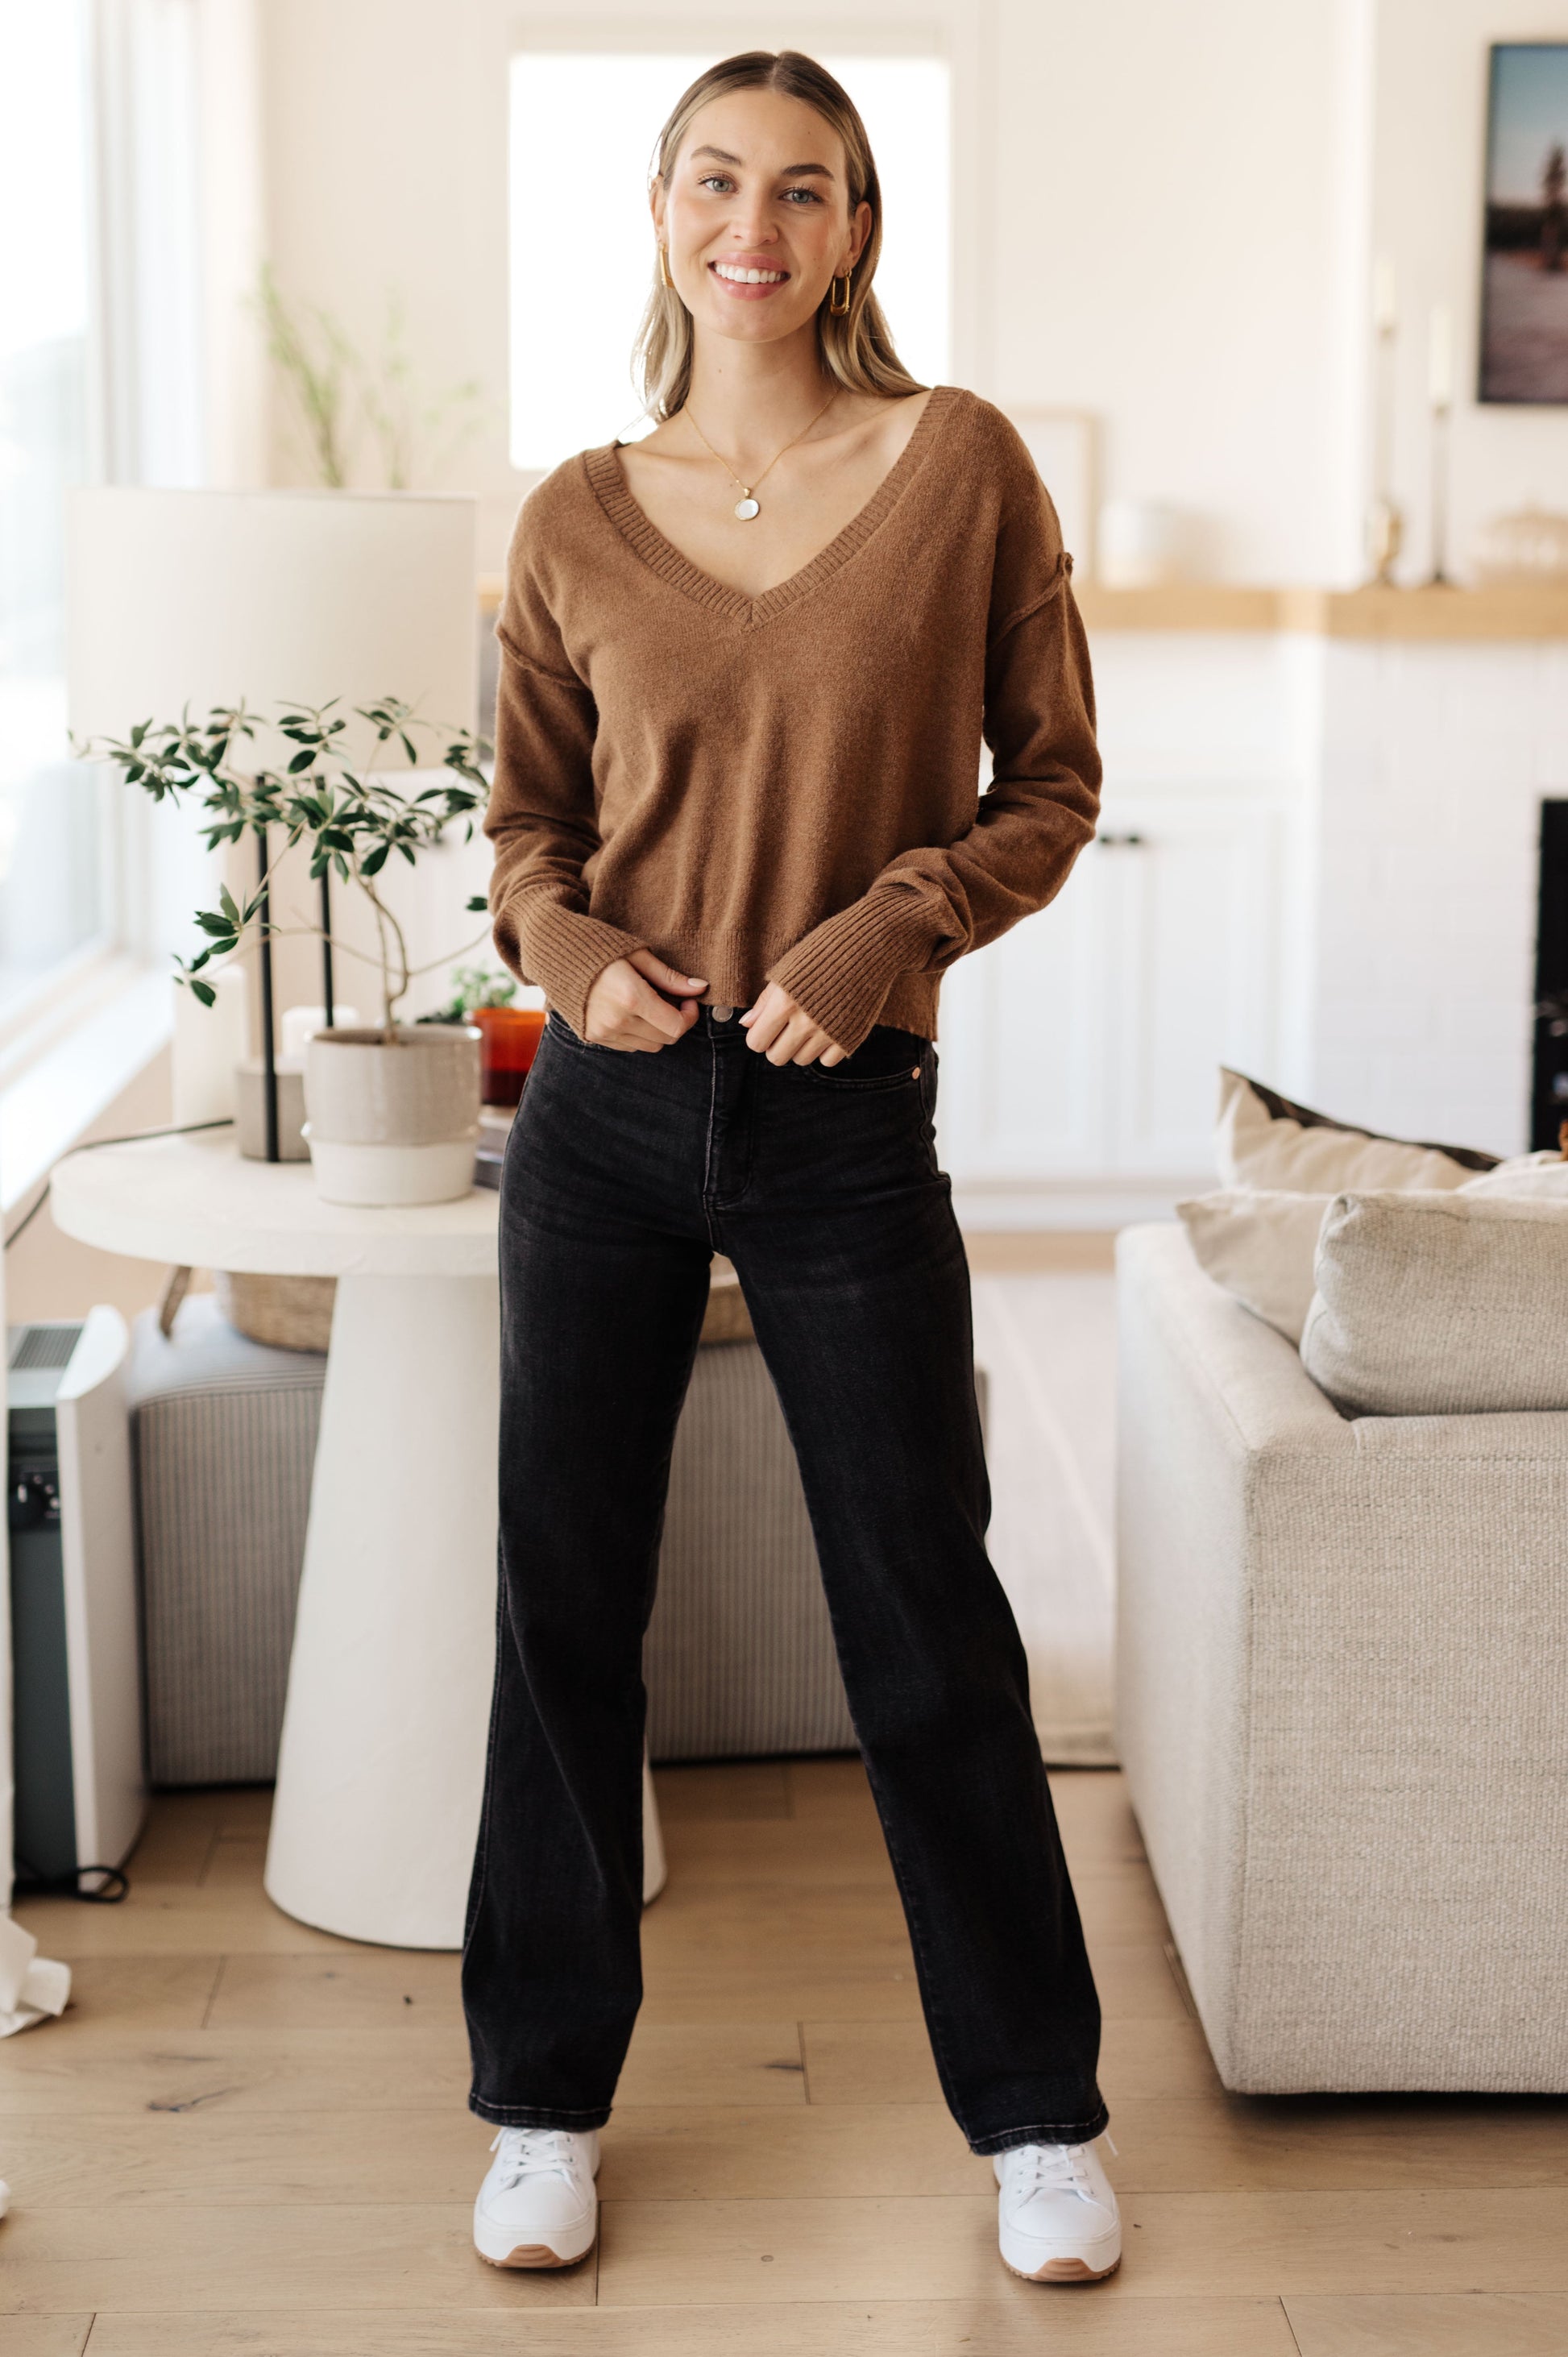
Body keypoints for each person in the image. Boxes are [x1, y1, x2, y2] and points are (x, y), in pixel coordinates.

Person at [462, 48, 1118, 2288]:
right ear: (659, 213)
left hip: (846, 1121)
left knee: (923, 1616)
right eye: (719, 182)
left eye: (808, 189)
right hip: (605, 1122)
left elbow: (1046, 785)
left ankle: (1034, 2118)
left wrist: (886, 928)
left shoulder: (955, 469)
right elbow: (523, 843)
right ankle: (540, 2104)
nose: (759, 223)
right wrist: (571, 960)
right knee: (562, 1606)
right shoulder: (569, 513)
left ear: (855, 229)